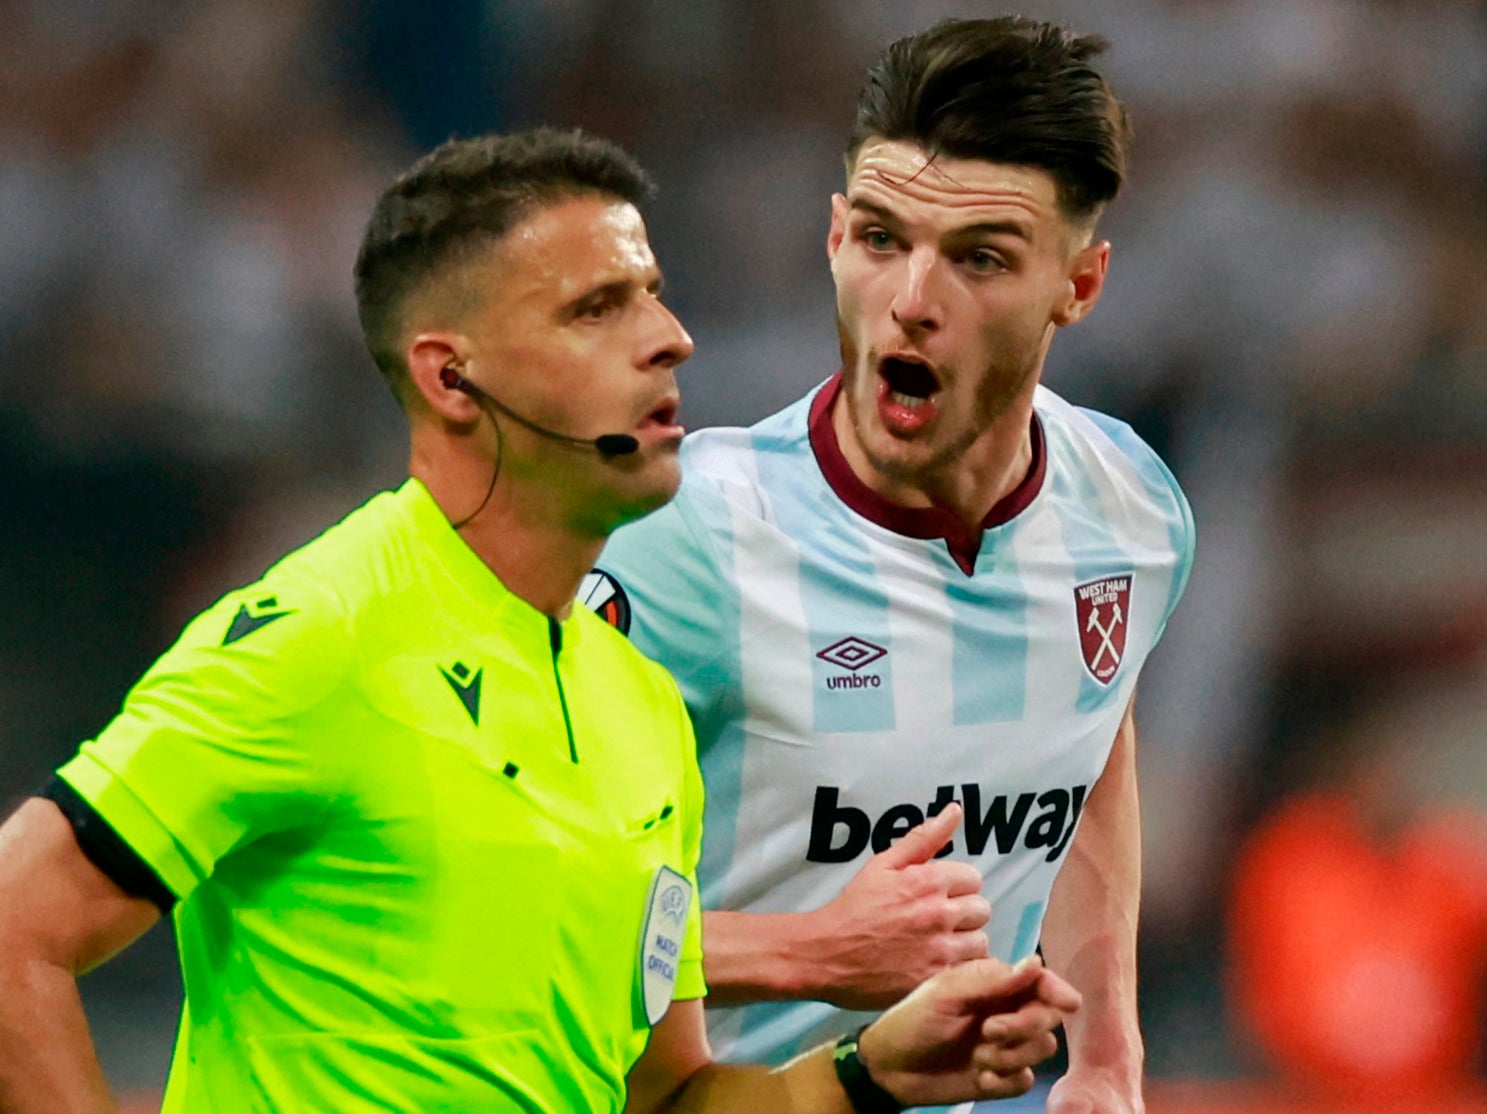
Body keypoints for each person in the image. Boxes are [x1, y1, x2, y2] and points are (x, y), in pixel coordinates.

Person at [0, 128, 1080, 1113]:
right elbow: (14, 932)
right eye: (594, 308)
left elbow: (667, 1099)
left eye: (652, 293)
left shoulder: (640, 705)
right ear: (451, 377)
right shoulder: (320, 636)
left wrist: (866, 1071)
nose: (669, 338)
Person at [593, 17, 1195, 1113]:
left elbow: (1094, 733)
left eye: (979, 258)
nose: (912, 297)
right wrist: (813, 950)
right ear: (832, 237)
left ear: (1080, 284)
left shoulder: (1130, 511)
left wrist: (1105, 1053)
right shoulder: (683, 542)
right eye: (879, 238)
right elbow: (521, 915)